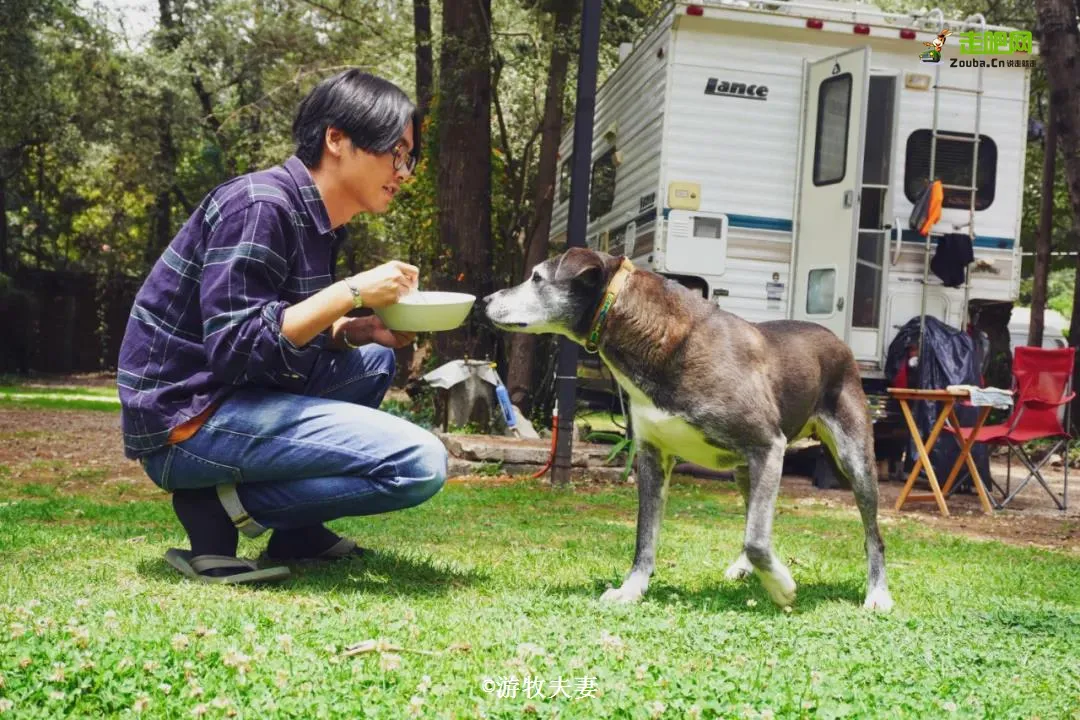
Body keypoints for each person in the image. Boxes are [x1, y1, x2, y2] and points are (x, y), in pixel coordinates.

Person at [117, 69, 448, 584]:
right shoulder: (260, 205)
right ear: (336, 138)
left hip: (234, 397)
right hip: (186, 420)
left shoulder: (315, 220)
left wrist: (360, 329)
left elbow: (286, 327)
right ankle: (219, 510)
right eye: (395, 152)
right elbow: (237, 348)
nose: (404, 172)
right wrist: (353, 290)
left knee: (374, 361)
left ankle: (300, 531)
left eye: (410, 158)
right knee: (419, 462)